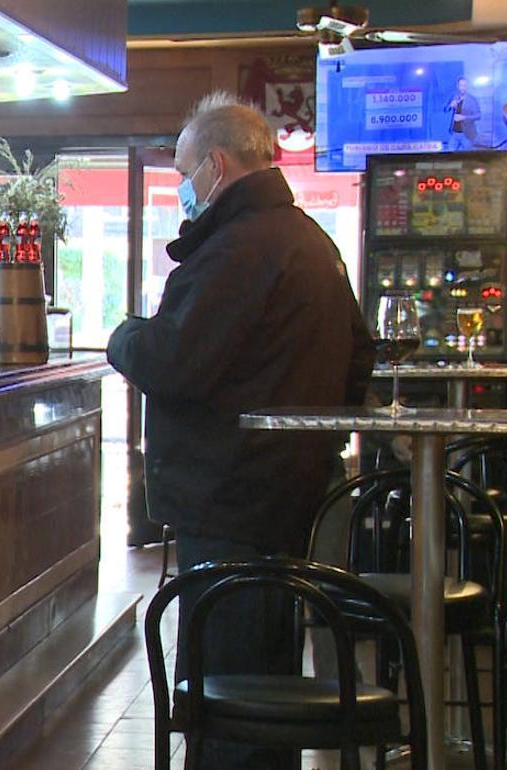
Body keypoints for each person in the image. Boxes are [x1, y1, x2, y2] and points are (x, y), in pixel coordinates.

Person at [107, 92, 375, 770]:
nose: (182, 190)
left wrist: (125, 336)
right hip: (288, 494)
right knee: (264, 688)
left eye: (184, 173)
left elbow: (176, 360)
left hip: (229, 500)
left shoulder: (237, 248)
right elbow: (359, 358)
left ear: (216, 165)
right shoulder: (309, 240)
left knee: (227, 699)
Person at [446, 76, 481, 150]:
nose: (463, 87)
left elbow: (478, 116)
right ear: (457, 86)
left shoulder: (472, 99)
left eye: (465, 85)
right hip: (454, 133)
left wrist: (464, 118)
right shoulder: (454, 97)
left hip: (467, 134)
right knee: (449, 155)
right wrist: (450, 106)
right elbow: (445, 109)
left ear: (467, 86)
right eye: (461, 85)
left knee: (467, 157)